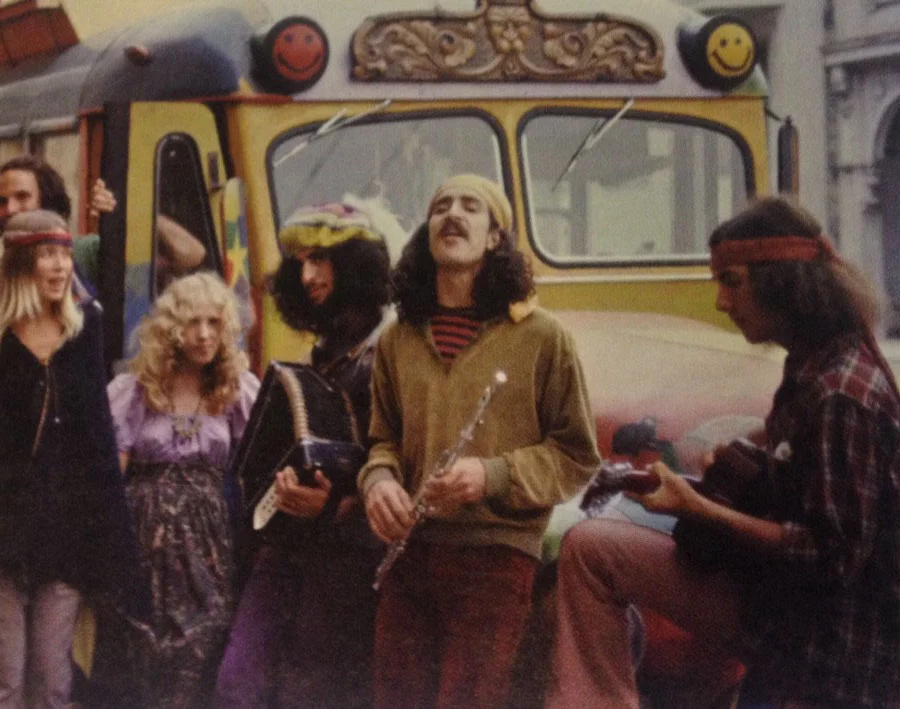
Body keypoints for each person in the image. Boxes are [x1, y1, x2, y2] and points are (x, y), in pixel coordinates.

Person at [548, 197, 900, 708]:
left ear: (781, 284)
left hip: (823, 643)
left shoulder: (839, 396)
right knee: (591, 548)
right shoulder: (815, 365)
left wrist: (700, 508)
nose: (720, 302)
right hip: (779, 598)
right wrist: (731, 454)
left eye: (731, 282)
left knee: (592, 550)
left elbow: (830, 558)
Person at [359, 174, 600, 708]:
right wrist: (379, 482)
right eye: (441, 206)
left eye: (471, 207)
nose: (452, 214)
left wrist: (491, 476)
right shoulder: (398, 338)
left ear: (495, 237)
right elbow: (382, 440)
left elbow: (576, 456)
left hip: (496, 556)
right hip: (410, 552)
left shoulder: (543, 337)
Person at [0, 209, 147, 709]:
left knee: (52, 681)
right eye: (48, 254)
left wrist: (112, 540)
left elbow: (97, 438)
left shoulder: (85, 326)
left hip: (64, 535)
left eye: (65, 254)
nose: (62, 266)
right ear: (21, 262)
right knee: (0, 681)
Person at [216, 201, 392, 708]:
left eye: (321, 259)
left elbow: (403, 466)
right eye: (300, 263)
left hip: (351, 560)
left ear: (355, 263)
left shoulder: (392, 353)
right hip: (293, 547)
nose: (308, 276)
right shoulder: (324, 353)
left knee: (308, 689)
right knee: (239, 681)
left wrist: (336, 508)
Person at [106, 271, 259, 708]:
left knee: (204, 643)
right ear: (173, 329)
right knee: (146, 650)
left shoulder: (235, 388)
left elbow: (261, 460)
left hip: (209, 543)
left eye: (214, 323)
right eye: (193, 322)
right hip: (145, 538)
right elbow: (113, 473)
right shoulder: (137, 388)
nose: (205, 334)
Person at [0, 155, 102, 311]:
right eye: (1, 202)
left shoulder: (87, 253)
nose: (10, 209)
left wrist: (112, 217)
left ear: (47, 200)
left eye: (22, 197)